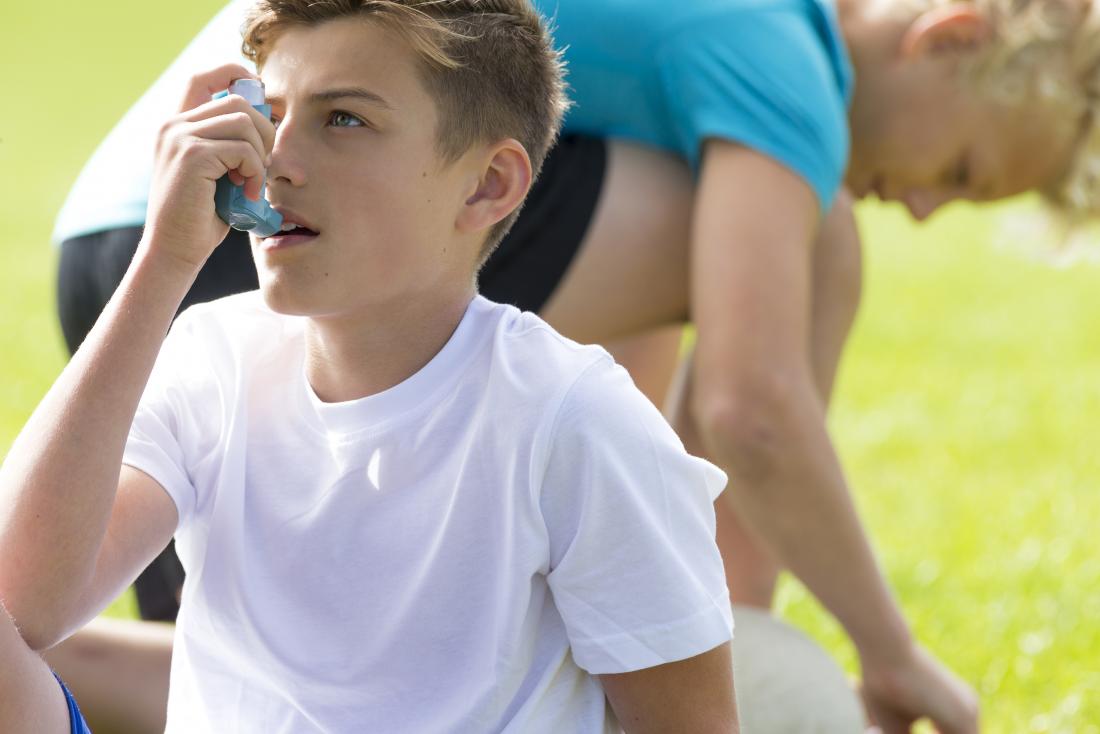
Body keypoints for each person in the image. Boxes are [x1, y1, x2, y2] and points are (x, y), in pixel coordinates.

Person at [52, 0, 1100, 730]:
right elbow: (752, 405)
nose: (922, 204)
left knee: (299, 658)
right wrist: (888, 649)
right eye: (961, 173)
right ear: (948, 38)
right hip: (247, 229)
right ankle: (727, 614)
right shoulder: (784, 48)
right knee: (806, 228)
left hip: (139, 222)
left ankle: (57, 661)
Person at [0, 1, 741, 731]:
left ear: (488, 185)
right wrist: (163, 262)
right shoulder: (214, 359)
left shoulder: (573, 421)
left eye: (344, 119)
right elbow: (17, 607)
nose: (276, 161)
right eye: (271, 114)